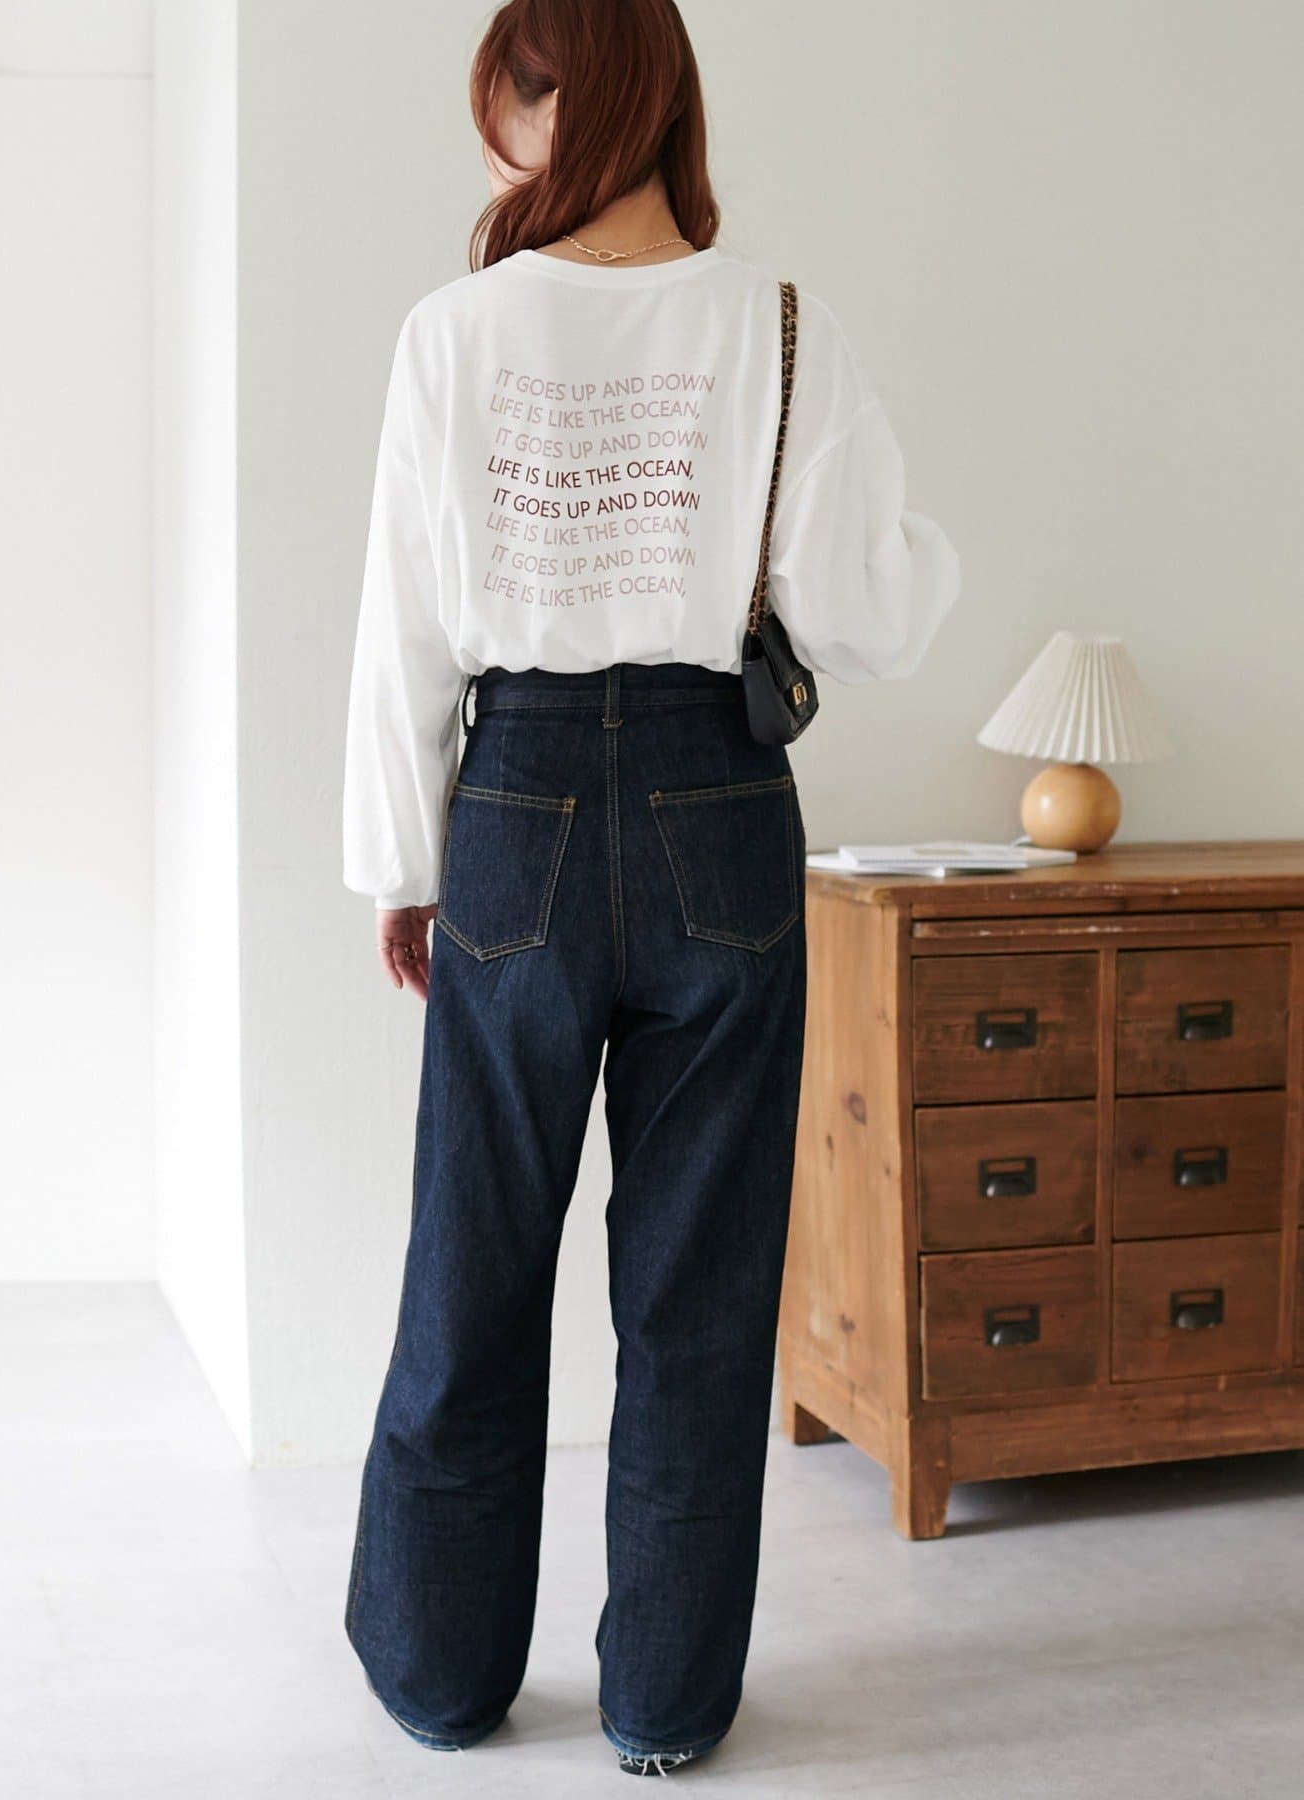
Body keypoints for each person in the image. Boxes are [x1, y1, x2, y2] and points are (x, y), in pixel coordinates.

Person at [340, 0, 959, 1777]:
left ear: (576, 100)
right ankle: (667, 1707)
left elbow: (406, 627)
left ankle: (442, 1677)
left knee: (470, 1263)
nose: (499, 141)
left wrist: (401, 861)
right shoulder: (780, 324)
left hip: (515, 809)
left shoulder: (456, 333)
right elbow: (865, 610)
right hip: (717, 811)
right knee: (697, 1295)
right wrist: (913, 554)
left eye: (511, 102)